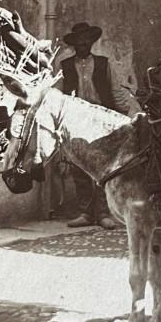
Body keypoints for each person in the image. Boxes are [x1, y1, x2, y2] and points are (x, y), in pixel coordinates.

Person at [58, 21, 135, 228]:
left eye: (86, 41)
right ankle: (85, 212)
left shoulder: (104, 63)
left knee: (103, 167)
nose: (83, 45)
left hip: (100, 120)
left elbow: (117, 92)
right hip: (75, 121)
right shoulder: (65, 66)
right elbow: (59, 95)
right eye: (79, 42)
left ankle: (104, 213)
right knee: (78, 167)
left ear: (91, 42)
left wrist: (121, 117)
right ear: (74, 45)